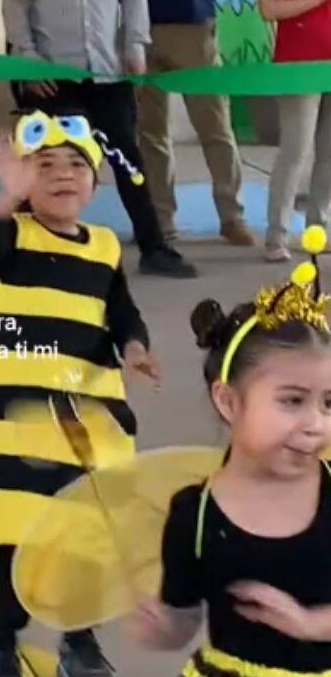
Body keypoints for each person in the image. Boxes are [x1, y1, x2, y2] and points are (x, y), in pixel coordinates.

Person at [0, 112, 160, 677]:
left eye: (76, 165)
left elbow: (121, 309)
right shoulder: (15, 237)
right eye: (43, 165)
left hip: (77, 418)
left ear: (95, 185)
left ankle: (80, 639)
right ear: (25, 183)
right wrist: (6, 197)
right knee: (9, 531)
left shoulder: (103, 247)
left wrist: (134, 345)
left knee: (82, 530)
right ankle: (1, 642)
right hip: (6, 419)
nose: (62, 175)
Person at [131, 254, 331, 675]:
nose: (316, 424)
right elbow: (183, 619)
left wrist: (313, 624)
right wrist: (161, 628)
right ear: (228, 400)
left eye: (329, 404)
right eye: (292, 401)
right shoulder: (195, 515)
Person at [3, 0, 198, 278]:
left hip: (109, 72)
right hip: (54, 76)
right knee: (50, 164)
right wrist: (28, 61)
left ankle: (154, 247)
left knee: (128, 160)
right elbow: (16, 6)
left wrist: (136, 45)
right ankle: (37, 252)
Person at [120, 0, 253, 248]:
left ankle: (232, 215)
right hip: (141, 29)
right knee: (150, 131)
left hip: (192, 27)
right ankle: (161, 219)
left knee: (214, 125)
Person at [257, 0, 331, 262]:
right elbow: (269, 9)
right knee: (296, 150)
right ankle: (276, 235)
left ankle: (318, 230)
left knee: (329, 153)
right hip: (298, 65)